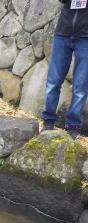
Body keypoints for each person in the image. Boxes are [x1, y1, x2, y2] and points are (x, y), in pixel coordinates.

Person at [41, 0, 88, 140]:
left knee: (80, 87)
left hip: (86, 38)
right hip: (63, 33)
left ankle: (73, 127)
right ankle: (48, 120)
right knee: (53, 82)